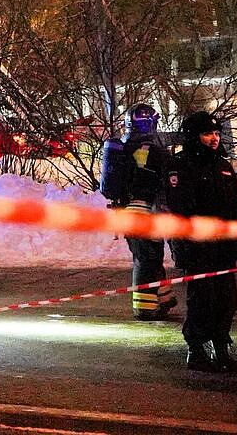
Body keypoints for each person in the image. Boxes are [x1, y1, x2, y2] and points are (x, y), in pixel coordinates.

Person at [166, 111, 237, 374]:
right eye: (207, 134)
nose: (214, 139)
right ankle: (196, 348)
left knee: (227, 300)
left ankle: (221, 347)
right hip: (198, 245)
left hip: (224, 245)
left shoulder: (223, 165)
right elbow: (181, 209)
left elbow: (233, 208)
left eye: (216, 133)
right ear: (194, 136)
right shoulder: (180, 165)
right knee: (202, 299)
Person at [102, 102, 176, 320]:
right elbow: (154, 181)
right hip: (143, 211)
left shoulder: (126, 147)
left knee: (150, 256)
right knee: (146, 258)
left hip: (132, 211)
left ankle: (162, 299)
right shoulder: (147, 150)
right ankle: (144, 307)